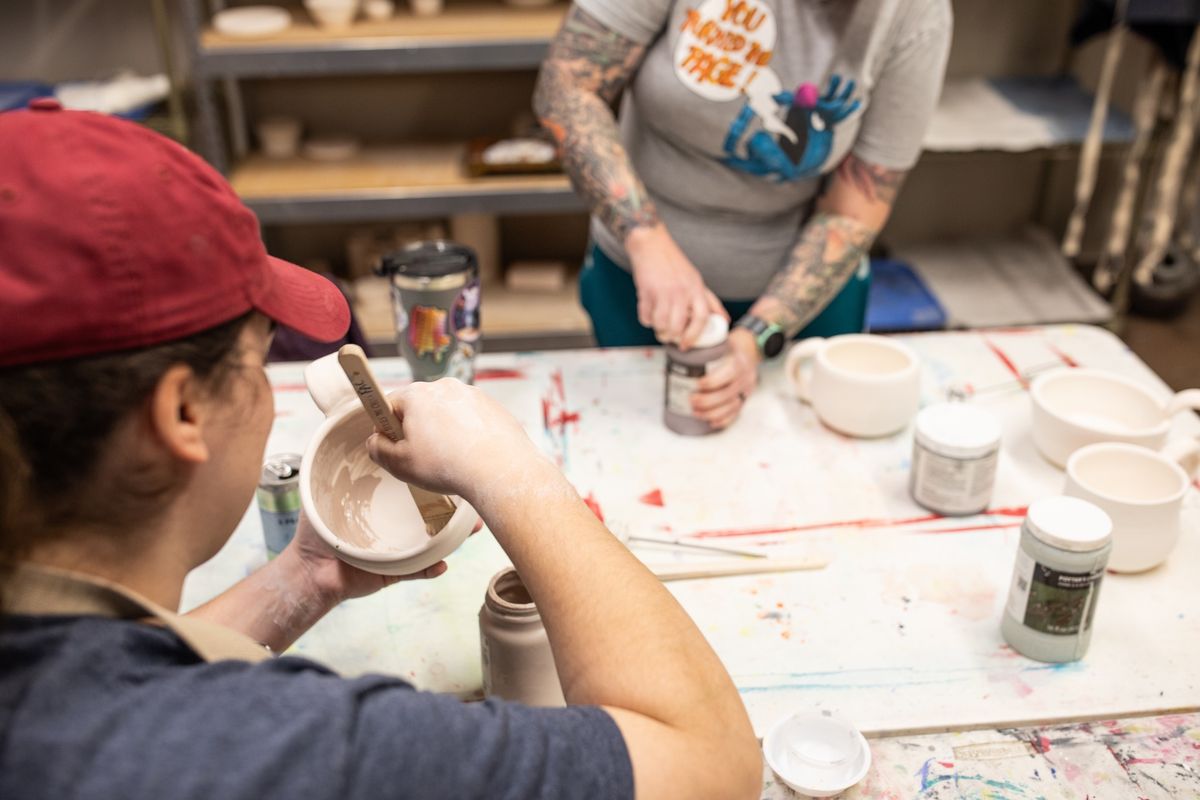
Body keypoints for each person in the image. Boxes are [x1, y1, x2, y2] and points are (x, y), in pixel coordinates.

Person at [0, 102, 761, 800]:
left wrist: (308, 576)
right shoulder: (290, 748)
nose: (268, 389)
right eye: (260, 360)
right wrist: (512, 472)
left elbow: (109, 664)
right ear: (184, 411)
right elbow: (709, 766)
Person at [535, 0, 951, 430]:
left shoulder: (915, 13)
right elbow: (567, 86)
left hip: (804, 303)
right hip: (637, 280)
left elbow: (855, 209)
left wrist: (759, 337)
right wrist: (645, 237)